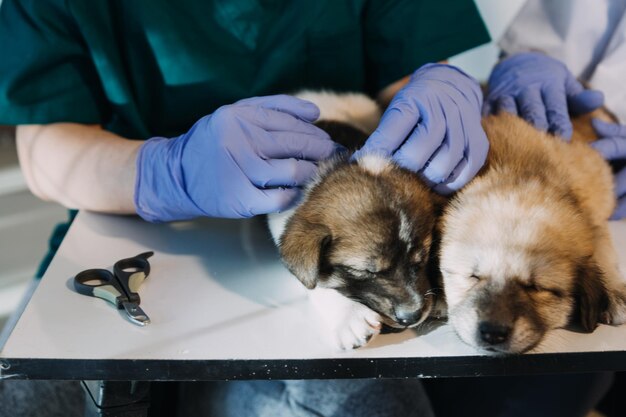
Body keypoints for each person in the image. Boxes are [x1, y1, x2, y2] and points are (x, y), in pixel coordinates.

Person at [0, 1, 491, 416]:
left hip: (324, 269)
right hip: (119, 241)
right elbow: (44, 144)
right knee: (22, 400)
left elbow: (405, 80)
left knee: (371, 403)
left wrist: (432, 106)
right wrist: (165, 172)